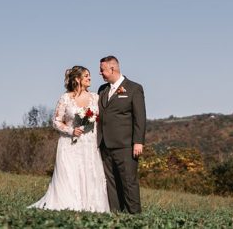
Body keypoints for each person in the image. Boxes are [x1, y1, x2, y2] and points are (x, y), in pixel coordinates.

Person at [28, 66, 110, 213]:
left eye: (89, 76)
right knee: (70, 175)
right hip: (69, 144)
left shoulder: (95, 98)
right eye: (86, 76)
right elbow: (56, 121)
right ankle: (70, 205)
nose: (89, 78)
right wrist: (71, 130)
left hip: (90, 144)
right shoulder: (65, 98)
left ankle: (91, 207)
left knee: (90, 175)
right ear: (77, 79)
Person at [97, 55, 146, 214]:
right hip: (105, 145)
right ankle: (116, 214)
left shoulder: (134, 88)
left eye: (102, 70)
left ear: (112, 69)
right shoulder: (102, 90)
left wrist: (138, 141)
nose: (100, 73)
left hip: (125, 145)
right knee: (110, 182)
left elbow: (140, 117)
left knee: (128, 182)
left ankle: (134, 215)